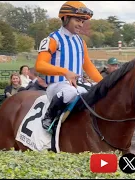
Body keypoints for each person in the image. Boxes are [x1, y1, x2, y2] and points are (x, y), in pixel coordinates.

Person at [35, 1, 103, 132]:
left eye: (82, 21)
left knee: (95, 93)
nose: (81, 24)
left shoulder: (81, 41)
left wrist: (104, 84)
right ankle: (49, 116)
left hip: (77, 86)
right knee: (71, 92)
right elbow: (40, 65)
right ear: (65, 18)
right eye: (78, 20)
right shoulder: (52, 40)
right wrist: (65, 72)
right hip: (57, 87)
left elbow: (88, 66)